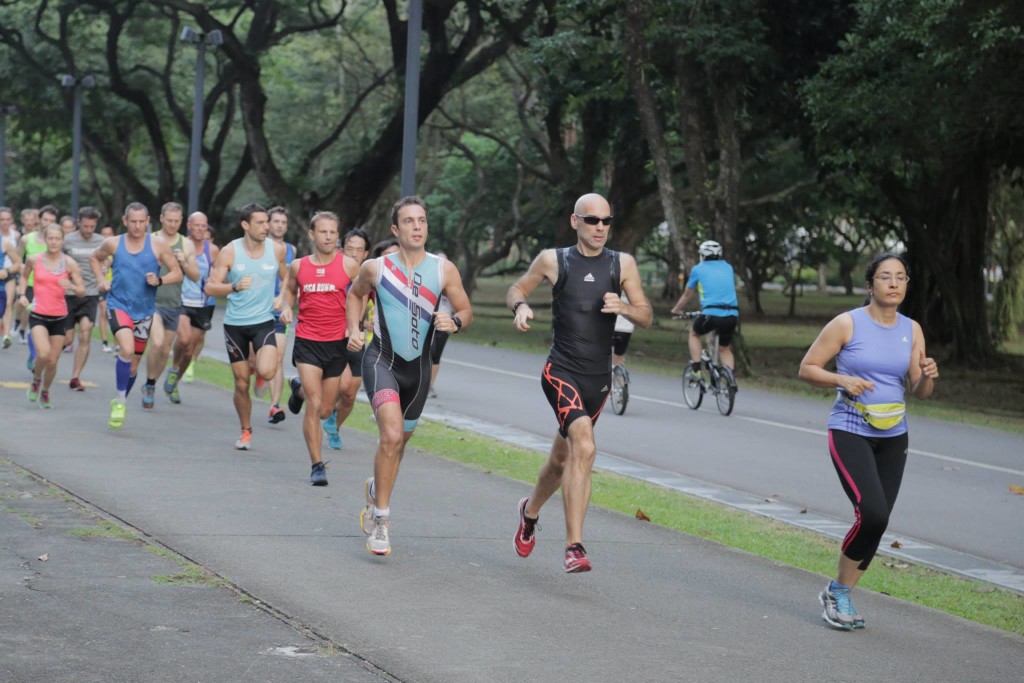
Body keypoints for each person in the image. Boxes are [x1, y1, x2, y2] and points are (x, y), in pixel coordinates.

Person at [508, 193, 652, 573]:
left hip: (598, 380)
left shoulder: (623, 264)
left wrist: (626, 308)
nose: (600, 227)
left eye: (606, 220)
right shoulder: (554, 260)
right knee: (584, 447)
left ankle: (530, 511)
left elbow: (647, 314)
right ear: (575, 222)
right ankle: (574, 545)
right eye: (591, 220)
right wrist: (521, 306)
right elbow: (517, 289)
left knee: (561, 459)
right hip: (561, 371)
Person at [799, 253, 939, 630]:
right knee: (872, 513)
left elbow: (919, 390)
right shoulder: (847, 324)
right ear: (870, 285)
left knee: (878, 522)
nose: (893, 283)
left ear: (907, 284)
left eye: (900, 277)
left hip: (894, 435)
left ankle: (840, 593)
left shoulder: (912, 329)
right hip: (850, 430)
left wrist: (928, 375)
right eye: (885, 277)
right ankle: (837, 593)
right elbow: (807, 368)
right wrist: (842, 380)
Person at [346, 196, 473, 556]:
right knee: (390, 434)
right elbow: (354, 296)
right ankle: (381, 521)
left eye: (422, 221)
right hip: (381, 361)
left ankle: (376, 492)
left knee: (399, 444)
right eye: (409, 221)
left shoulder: (443, 269)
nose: (417, 227)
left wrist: (456, 321)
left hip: (418, 372)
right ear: (395, 230)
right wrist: (353, 328)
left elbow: (465, 308)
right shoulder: (376, 268)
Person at [282, 212, 361, 485]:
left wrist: (355, 327)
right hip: (307, 341)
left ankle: (298, 389)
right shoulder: (299, 266)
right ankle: (317, 465)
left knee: (326, 409)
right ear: (312, 235)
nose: (328, 236)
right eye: (323, 232)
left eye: (332, 232)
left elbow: (360, 295)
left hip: (337, 344)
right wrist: (285, 308)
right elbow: (290, 291)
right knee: (314, 406)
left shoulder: (349, 266)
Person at [90, 202, 184, 430]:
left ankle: (120, 398)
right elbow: (95, 258)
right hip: (118, 304)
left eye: (142, 222)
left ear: (148, 221)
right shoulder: (113, 243)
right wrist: (101, 279)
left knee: (133, 366)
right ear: (125, 221)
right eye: (133, 221)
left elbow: (177, 273)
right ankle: (121, 402)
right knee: (127, 349)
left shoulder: (158, 245)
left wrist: (159, 280)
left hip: (144, 311)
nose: (138, 226)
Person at [205, 203, 289, 450]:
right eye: (261, 223)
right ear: (245, 225)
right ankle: (246, 431)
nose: (267, 227)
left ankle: (260, 374)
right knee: (241, 383)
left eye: (267, 222)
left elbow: (287, 276)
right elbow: (211, 287)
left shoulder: (277, 250)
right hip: (235, 325)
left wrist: (282, 298)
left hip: (264, 321)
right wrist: (233, 286)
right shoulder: (230, 252)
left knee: (268, 371)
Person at [16, 224, 85, 408]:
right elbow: (23, 277)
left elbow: (81, 291)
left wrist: (70, 286)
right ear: (45, 240)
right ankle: (36, 379)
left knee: (53, 361)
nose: (54, 242)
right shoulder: (34, 259)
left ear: (62, 240)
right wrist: (22, 295)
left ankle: (45, 390)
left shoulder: (69, 263)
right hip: (38, 314)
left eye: (57, 239)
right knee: (44, 354)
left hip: (60, 317)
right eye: (50, 238)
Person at [143, 202, 199, 408]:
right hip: (153, 301)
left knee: (165, 351)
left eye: (177, 221)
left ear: (181, 221)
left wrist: (184, 262)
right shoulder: (151, 240)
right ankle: (149, 385)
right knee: (156, 344)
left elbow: (195, 276)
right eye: (169, 220)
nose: (173, 224)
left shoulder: (186, 244)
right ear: (161, 219)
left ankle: (152, 382)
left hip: (174, 303)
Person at [320, 227, 371, 450]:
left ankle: (334, 426)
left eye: (359, 250)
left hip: (356, 336)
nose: (354, 254)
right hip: (333, 335)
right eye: (349, 248)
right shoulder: (335, 272)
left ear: (365, 254)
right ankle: (317, 399)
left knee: (350, 394)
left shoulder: (369, 276)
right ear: (342, 250)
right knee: (342, 384)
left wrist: (364, 325)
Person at [166, 212, 219, 399]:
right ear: (188, 225)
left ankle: (176, 380)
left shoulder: (212, 250)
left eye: (203, 226)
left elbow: (218, 273)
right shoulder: (179, 245)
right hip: (181, 300)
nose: (199, 229)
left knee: (190, 350)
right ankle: (173, 367)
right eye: (196, 225)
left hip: (203, 303)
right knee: (184, 339)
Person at [670, 240, 739, 373]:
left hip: (711, 314)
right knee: (724, 348)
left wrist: (676, 310)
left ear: (702, 255)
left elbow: (686, 295)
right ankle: (730, 381)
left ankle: (696, 367)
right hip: (732, 315)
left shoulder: (698, 269)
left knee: (694, 333)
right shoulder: (728, 267)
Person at [61, 207, 106, 391]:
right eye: (86, 226)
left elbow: (107, 258)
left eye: (92, 226)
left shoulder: (101, 241)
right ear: (78, 223)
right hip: (69, 294)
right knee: (67, 339)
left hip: (90, 294)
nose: (89, 230)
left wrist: (105, 266)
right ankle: (45, 360)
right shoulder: (67, 240)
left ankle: (75, 377)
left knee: (85, 334)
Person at [264, 206, 296, 424]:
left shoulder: (291, 249)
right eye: (276, 221)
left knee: (278, 357)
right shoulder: (258, 247)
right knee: (257, 360)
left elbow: (292, 282)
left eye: (283, 222)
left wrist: (286, 305)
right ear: (267, 223)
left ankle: (275, 405)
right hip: (255, 310)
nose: (279, 226)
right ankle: (258, 371)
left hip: (278, 310)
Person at [16, 207, 47, 366]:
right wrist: (21, 267)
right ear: (39, 221)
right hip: (30, 284)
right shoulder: (27, 239)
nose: (48, 223)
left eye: (51, 220)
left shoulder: (57, 239)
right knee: (34, 319)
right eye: (45, 220)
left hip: (50, 288)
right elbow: (17, 258)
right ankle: (34, 354)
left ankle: (37, 352)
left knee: (46, 326)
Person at [426, 251, 453, 399]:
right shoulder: (425, 277)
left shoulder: (451, 279)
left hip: (444, 321)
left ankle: (430, 386)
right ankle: (419, 384)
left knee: (436, 355)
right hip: (426, 321)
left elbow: (460, 303)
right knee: (425, 353)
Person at [0, 206, 21, 348]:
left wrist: (7, 271)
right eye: (2, 219)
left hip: (7, 274)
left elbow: (18, 261)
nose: (4, 222)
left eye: (7, 219)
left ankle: (6, 334)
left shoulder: (13, 237)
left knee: (8, 304)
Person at [97, 224, 116, 353]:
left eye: (109, 234)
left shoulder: (117, 249)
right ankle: (104, 341)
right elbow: (104, 262)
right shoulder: (99, 250)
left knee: (115, 314)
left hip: (115, 285)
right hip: (103, 285)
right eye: (104, 234)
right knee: (103, 311)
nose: (106, 237)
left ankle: (118, 343)